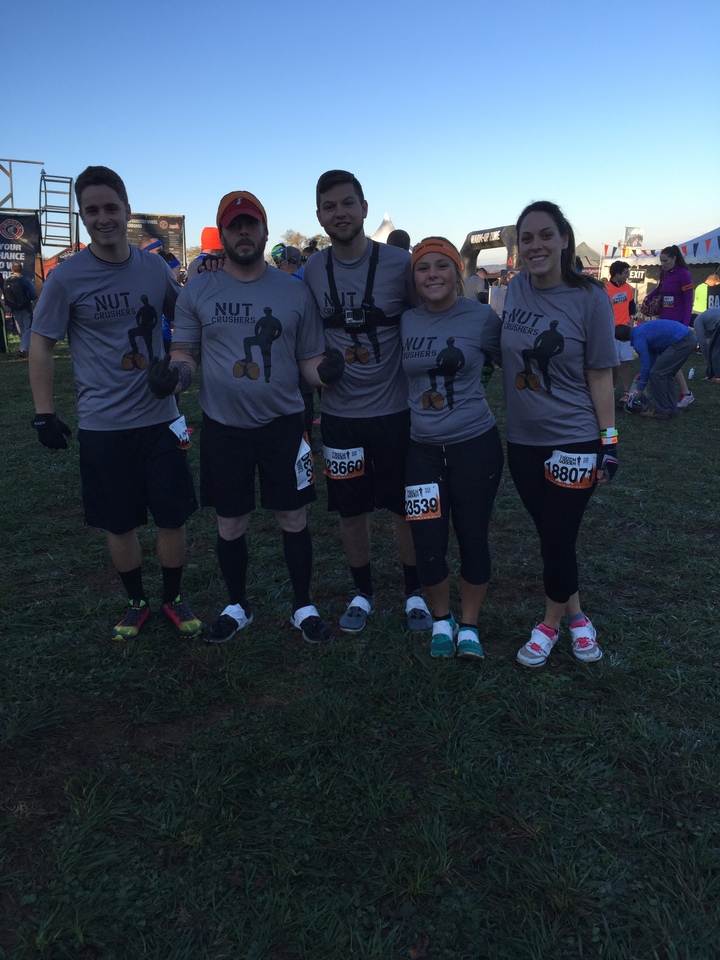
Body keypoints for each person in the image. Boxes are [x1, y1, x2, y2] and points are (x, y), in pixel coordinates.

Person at [151, 189, 345, 645]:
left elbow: (309, 361)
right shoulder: (198, 289)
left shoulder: (294, 290)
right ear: (222, 233)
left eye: (250, 223)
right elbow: (185, 355)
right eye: (234, 225)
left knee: (293, 517)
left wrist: (327, 373)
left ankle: (303, 605)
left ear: (263, 230)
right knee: (230, 522)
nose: (243, 231)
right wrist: (173, 378)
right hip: (224, 429)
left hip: (283, 425)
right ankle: (237, 605)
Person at [29, 165, 200, 642]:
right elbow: (41, 343)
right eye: (92, 210)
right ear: (83, 216)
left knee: (172, 515)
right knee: (119, 522)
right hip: (104, 425)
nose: (102, 218)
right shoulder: (66, 278)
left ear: (127, 209)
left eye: (111, 208)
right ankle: (136, 602)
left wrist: (181, 369)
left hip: (161, 419)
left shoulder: (154, 267)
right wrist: (44, 412)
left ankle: (172, 597)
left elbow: (185, 318)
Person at [303, 169, 432, 634]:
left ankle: (415, 591)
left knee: (403, 506)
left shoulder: (399, 263)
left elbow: (431, 317)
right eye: (330, 206)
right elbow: (303, 336)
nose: (340, 213)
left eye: (347, 203)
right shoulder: (313, 270)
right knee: (351, 509)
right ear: (319, 216)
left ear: (362, 206)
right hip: (339, 416)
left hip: (398, 413)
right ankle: (364, 591)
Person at [500, 200, 618, 668]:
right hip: (522, 440)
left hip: (574, 436)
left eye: (545, 235)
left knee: (558, 533)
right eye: (526, 238)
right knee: (551, 532)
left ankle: (550, 624)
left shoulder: (590, 298)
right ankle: (577, 614)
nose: (536, 245)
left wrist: (609, 441)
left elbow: (601, 375)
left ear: (564, 239)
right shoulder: (513, 290)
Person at [401, 237, 503, 659]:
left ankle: (470, 625)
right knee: (427, 540)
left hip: (475, 446)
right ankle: (442, 620)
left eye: (442, 267)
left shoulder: (481, 317)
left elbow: (513, 362)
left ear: (457, 272)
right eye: (424, 269)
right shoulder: (406, 320)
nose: (432, 275)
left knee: (472, 536)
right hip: (421, 449)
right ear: (415, 278)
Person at [616, 321, 697, 418]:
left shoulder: (638, 339)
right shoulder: (640, 330)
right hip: (687, 337)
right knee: (666, 373)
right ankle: (671, 409)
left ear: (623, 340)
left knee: (657, 373)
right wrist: (642, 373)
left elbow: (646, 364)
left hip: (683, 341)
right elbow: (653, 354)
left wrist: (640, 388)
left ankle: (662, 410)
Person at [656, 245, 695, 408]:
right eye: (661, 261)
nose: (663, 264)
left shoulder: (684, 274)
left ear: (674, 258)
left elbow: (688, 301)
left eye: (665, 260)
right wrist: (647, 298)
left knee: (669, 359)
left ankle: (686, 392)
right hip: (664, 318)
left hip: (677, 322)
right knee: (666, 358)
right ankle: (683, 392)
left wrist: (685, 324)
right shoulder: (664, 273)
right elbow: (659, 290)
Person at [605, 260, 636, 404]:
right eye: (625, 273)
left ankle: (626, 392)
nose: (628, 275)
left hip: (625, 331)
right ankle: (608, 390)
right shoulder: (605, 288)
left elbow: (631, 304)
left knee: (625, 362)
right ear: (617, 274)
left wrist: (631, 319)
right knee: (612, 364)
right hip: (611, 332)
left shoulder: (628, 287)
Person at [4, 260, 37, 357]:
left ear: (12, 269)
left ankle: (24, 348)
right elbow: (34, 295)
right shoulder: (25, 281)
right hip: (26, 307)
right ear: (21, 270)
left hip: (14, 308)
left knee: (20, 329)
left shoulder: (7, 281)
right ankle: (23, 349)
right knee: (27, 328)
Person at [693, 306, 720, 380]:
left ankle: (716, 376)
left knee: (713, 350)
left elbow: (702, 342)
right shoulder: (707, 317)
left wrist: (706, 358)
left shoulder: (697, 321)